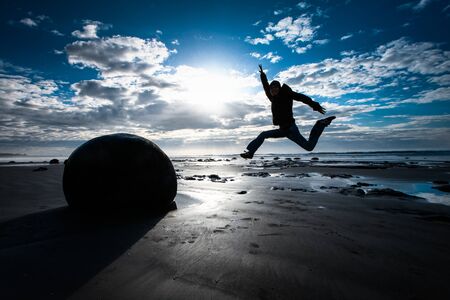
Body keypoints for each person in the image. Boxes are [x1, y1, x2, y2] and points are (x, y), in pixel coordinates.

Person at [240, 64, 336, 159]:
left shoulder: (287, 95)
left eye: (275, 87)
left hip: (291, 129)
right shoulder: (272, 98)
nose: (273, 90)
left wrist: (313, 104)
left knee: (309, 147)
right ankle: (250, 153)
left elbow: (301, 97)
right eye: (271, 88)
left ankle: (320, 124)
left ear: (279, 88)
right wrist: (262, 75)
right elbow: (265, 86)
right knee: (264, 134)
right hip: (283, 130)